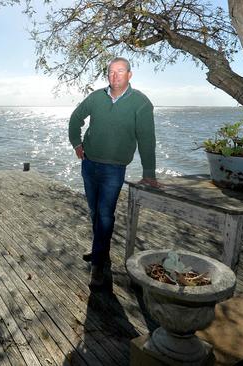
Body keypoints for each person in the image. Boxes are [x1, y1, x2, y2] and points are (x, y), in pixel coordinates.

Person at [69, 57, 161, 292]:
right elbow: (75, 118)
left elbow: (147, 140)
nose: (115, 76)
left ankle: (99, 264)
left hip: (114, 169)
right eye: (111, 72)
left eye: (120, 71)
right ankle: (101, 250)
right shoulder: (96, 98)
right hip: (89, 164)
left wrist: (149, 172)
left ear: (129, 75)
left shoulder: (140, 103)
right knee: (94, 211)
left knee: (105, 214)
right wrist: (76, 143)